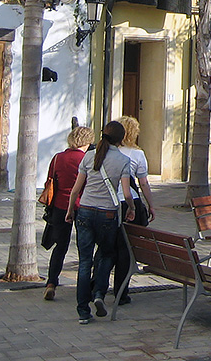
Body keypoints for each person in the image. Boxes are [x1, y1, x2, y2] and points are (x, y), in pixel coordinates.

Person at [65, 121, 135, 325]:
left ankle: (82, 311)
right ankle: (98, 294)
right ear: (121, 139)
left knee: (85, 261)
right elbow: (127, 193)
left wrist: (70, 210)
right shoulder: (123, 160)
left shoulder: (89, 156)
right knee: (105, 255)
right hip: (107, 214)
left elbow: (76, 189)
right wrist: (131, 207)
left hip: (85, 211)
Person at [42, 124, 95, 302]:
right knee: (84, 248)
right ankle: (84, 287)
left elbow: (50, 181)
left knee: (60, 247)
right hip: (82, 205)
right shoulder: (87, 159)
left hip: (59, 205)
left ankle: (51, 283)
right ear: (88, 141)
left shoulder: (58, 158)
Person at [109, 116, 156, 306]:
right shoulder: (137, 154)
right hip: (129, 204)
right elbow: (143, 183)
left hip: (108, 202)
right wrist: (151, 205)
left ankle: (96, 286)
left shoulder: (107, 152)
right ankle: (121, 292)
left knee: (108, 248)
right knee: (126, 250)